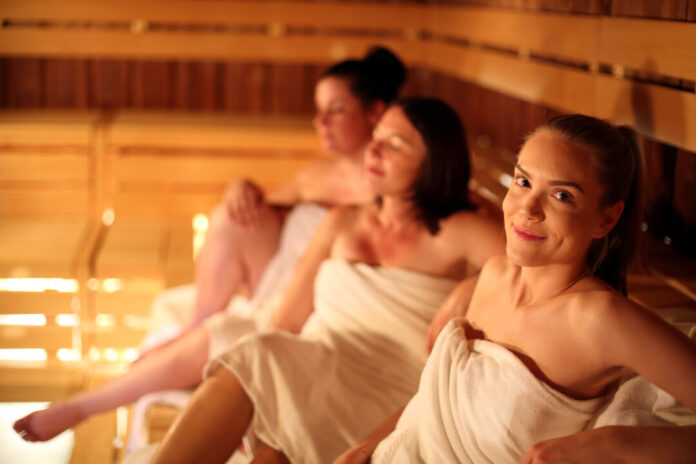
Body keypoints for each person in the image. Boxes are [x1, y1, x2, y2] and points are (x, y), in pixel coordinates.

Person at [13, 46, 406, 443]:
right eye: (318, 109)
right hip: (276, 282)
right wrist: (242, 189)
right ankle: (197, 322)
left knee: (231, 330)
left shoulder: (398, 191)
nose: (320, 121)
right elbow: (262, 206)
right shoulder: (321, 174)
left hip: (313, 309)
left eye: (335, 110)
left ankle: (83, 406)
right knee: (231, 216)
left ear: (374, 112)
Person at [147, 97, 506, 464]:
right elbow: (287, 321)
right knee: (254, 356)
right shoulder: (343, 221)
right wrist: (262, 401)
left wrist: (472, 286)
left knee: (273, 456)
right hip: (322, 358)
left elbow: (531, 265)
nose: (375, 150)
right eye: (377, 137)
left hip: (390, 385)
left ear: (435, 162)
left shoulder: (460, 232)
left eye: (395, 144)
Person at [336, 114, 696, 464]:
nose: (527, 208)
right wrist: (367, 445)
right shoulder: (493, 275)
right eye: (523, 182)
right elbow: (431, 407)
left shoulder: (600, 319)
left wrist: (615, 443)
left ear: (607, 218)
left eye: (561, 196)